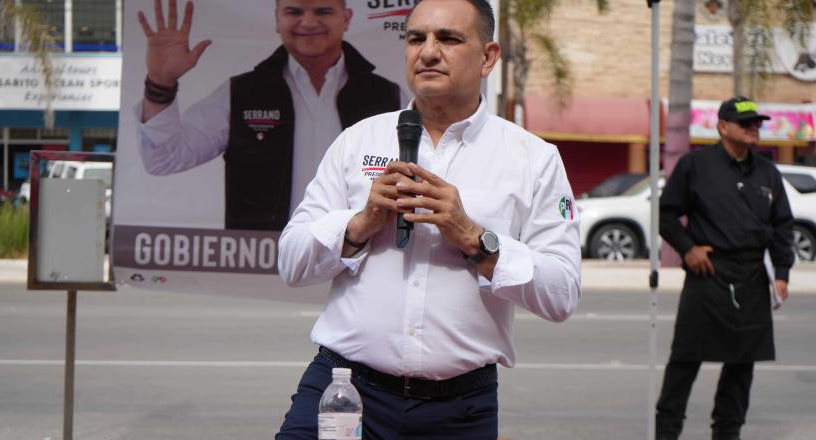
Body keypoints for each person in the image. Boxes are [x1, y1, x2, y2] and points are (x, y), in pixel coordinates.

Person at [275, 0, 582, 438]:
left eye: (449, 39)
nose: (428, 52)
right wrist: (359, 225)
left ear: (489, 57)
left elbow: (562, 294)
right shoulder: (358, 140)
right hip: (346, 390)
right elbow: (290, 263)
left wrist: (474, 238)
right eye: (416, 38)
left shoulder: (533, 159)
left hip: (461, 409)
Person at [135, 0, 403, 230]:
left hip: (360, 262)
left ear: (346, 19)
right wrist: (160, 84)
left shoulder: (390, 97)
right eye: (294, 11)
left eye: (323, 11)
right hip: (262, 271)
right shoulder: (240, 93)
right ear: (277, 19)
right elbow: (164, 159)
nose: (308, 22)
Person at [656, 97, 795, 440]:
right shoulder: (695, 165)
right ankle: (666, 434)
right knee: (684, 363)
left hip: (750, 277)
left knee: (740, 369)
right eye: (745, 122)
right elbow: (667, 214)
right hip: (707, 276)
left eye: (757, 123)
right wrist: (688, 249)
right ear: (722, 127)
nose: (754, 128)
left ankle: (727, 434)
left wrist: (781, 273)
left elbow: (783, 226)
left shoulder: (768, 172)